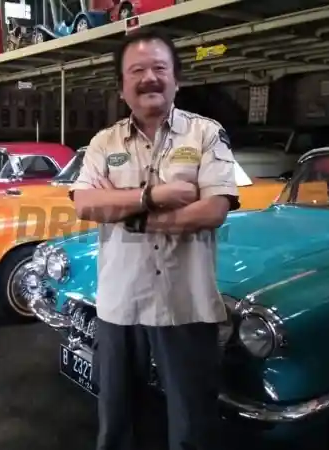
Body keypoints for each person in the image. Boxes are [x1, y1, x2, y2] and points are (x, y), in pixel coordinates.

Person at [69, 28, 240, 450]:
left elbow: (214, 209)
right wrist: (154, 197)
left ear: (176, 80)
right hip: (120, 301)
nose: (149, 78)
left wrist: (130, 215)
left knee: (191, 422)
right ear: (122, 87)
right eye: (137, 71)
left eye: (160, 68)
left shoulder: (205, 134)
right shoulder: (103, 142)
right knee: (117, 421)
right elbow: (86, 204)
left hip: (186, 302)